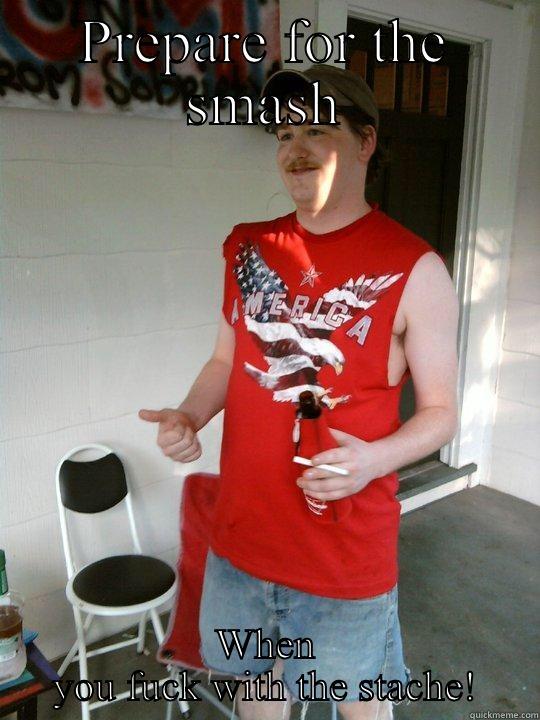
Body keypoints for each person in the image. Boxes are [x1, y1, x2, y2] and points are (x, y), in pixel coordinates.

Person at [140, 64, 458, 720]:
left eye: (317, 129)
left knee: (359, 703)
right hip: (241, 546)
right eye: (285, 134)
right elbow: (226, 359)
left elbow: (441, 413)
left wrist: (372, 460)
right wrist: (189, 414)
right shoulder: (248, 248)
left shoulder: (416, 267)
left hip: (343, 557)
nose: (296, 149)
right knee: (257, 687)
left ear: (365, 142)